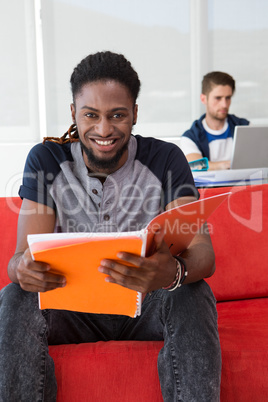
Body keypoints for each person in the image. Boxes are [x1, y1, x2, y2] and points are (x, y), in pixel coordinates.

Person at [0, 51, 221, 401]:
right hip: (72, 309)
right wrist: (22, 269)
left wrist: (172, 273)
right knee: (14, 296)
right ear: (74, 113)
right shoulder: (46, 160)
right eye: (91, 115)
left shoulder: (166, 159)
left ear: (135, 113)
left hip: (145, 305)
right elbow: (16, 262)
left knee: (193, 292)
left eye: (117, 115)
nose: (104, 130)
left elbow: (203, 255)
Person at [180, 71, 249, 170]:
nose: (224, 105)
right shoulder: (190, 137)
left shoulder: (245, 127)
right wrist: (225, 165)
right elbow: (195, 165)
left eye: (228, 98)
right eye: (218, 98)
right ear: (203, 99)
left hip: (244, 186)